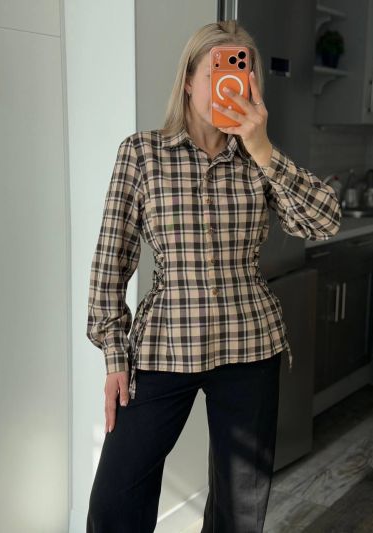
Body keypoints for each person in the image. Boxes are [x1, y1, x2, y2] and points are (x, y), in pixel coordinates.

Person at [85, 19, 341, 533]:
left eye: (242, 75)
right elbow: (111, 260)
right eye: (217, 73)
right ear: (188, 80)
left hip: (250, 343)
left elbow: (325, 221)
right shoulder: (142, 153)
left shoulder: (258, 159)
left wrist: (263, 149)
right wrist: (114, 355)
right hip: (166, 345)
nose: (230, 87)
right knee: (117, 499)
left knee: (239, 511)